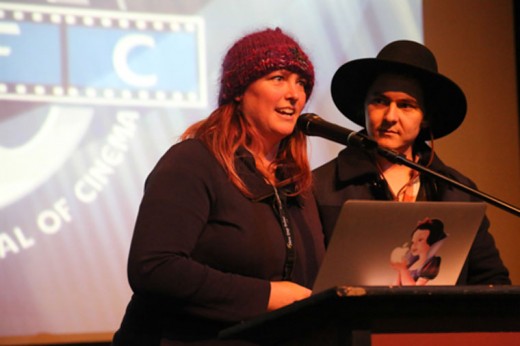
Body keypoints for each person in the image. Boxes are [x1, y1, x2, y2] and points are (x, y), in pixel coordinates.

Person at [112, 28, 325, 345]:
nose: (295, 94)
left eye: (301, 83)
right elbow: (153, 268)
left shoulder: (295, 181)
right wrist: (265, 295)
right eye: (279, 78)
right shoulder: (193, 162)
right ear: (239, 90)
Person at [313, 40, 511, 285]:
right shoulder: (320, 186)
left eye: (406, 105)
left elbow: (492, 280)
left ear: (425, 117)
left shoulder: (458, 191)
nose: (390, 116)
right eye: (380, 101)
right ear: (364, 106)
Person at [390, 218, 447, 286]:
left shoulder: (430, 264)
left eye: (420, 240)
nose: (414, 245)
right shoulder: (411, 259)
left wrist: (403, 269)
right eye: (413, 241)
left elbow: (414, 289)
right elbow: (396, 284)